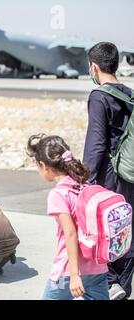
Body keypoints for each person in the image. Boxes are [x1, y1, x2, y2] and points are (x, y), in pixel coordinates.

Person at [27, 134, 109, 300]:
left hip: (68, 271)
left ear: (44, 165)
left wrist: (74, 275)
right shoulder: (84, 185)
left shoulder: (59, 194)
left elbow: (70, 233)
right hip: (97, 267)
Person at [83, 42, 134, 300]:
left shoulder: (99, 96)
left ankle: (112, 286)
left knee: (106, 230)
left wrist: (87, 182)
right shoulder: (130, 94)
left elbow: (96, 143)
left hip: (109, 177)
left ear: (94, 67)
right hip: (130, 174)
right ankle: (124, 285)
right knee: (126, 230)